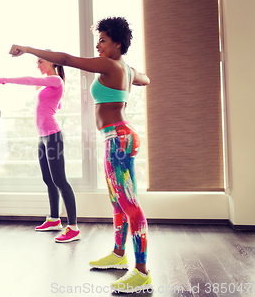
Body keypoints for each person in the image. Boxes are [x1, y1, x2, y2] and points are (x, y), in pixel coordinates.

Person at [8, 17, 152, 293]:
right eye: (97, 40)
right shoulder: (124, 67)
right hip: (118, 137)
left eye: (103, 40)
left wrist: (28, 48)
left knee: (129, 204)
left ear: (118, 43)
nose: (98, 46)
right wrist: (135, 75)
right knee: (117, 201)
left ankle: (142, 272)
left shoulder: (110, 64)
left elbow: (66, 58)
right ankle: (119, 254)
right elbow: (146, 79)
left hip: (118, 138)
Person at [0, 57, 80, 243]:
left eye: (41, 62)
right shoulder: (49, 85)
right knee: (48, 179)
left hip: (53, 136)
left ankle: (73, 227)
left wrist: (2, 79)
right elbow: (55, 105)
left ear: (52, 63)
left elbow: (29, 80)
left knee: (60, 180)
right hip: (43, 137)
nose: (38, 66)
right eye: (37, 63)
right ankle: (55, 219)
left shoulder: (56, 80)